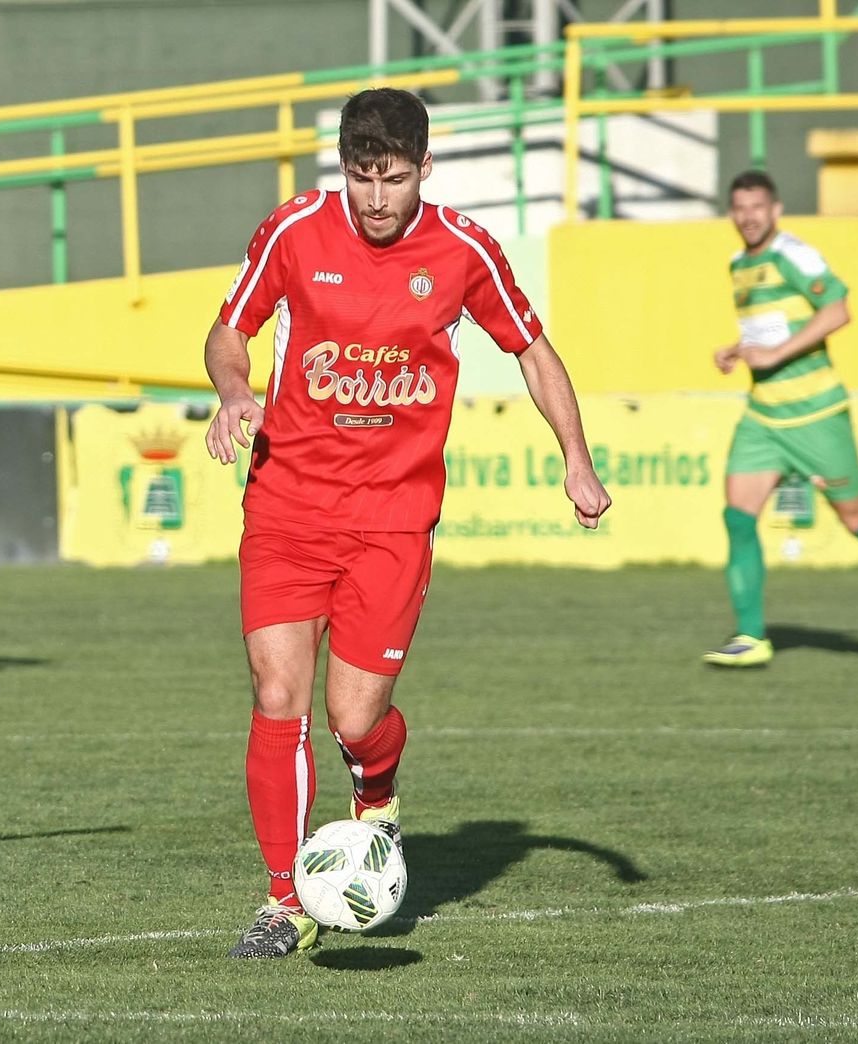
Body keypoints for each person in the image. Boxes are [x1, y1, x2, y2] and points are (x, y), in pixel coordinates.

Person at [204, 88, 611, 959]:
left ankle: (376, 790)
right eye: (361, 178)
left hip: (393, 520)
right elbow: (230, 328)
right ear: (342, 170)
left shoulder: (464, 250)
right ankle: (284, 902)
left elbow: (532, 351)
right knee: (278, 697)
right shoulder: (294, 231)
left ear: (425, 168)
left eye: (392, 179)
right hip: (285, 506)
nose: (376, 199)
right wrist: (235, 388)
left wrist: (576, 457)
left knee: (355, 719)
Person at [705, 169, 858, 668]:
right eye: (739, 207)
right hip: (764, 417)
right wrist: (740, 351)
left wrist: (777, 351)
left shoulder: (795, 254)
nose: (748, 216)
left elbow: (839, 309)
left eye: (757, 206)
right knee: (737, 516)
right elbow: (772, 329)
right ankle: (751, 637)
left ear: (776, 209)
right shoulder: (739, 264)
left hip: (816, 412)